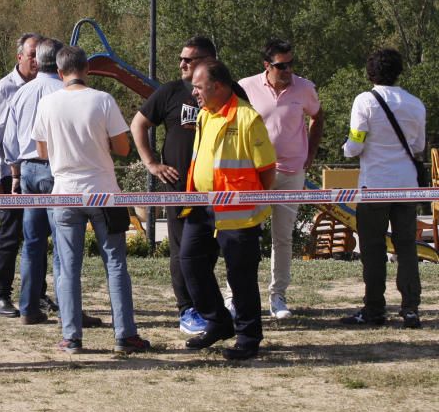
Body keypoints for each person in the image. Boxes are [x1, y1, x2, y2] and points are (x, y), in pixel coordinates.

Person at [31, 45, 151, 354]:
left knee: (67, 268)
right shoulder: (103, 100)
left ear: (59, 73)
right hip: (104, 192)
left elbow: (42, 152)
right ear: (88, 69)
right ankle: (125, 334)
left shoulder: (47, 103)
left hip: (65, 193)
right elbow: (123, 148)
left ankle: (71, 336)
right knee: (115, 264)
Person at [184, 59, 276, 360]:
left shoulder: (248, 118)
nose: (194, 92)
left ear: (218, 86)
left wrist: (249, 199)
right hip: (202, 206)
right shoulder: (204, 116)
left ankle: (248, 338)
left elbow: (267, 171)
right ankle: (219, 322)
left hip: (238, 213)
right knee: (190, 262)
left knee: (240, 277)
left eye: (199, 87)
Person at [131, 35, 216, 335]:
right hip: (180, 187)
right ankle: (187, 309)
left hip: (218, 187)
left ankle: (209, 304)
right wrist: (152, 164)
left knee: (211, 249)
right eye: (181, 58)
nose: (181, 64)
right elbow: (137, 124)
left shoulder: (226, 92)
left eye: (188, 59)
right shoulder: (169, 92)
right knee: (182, 250)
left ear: (208, 62)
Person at [238, 38, 324, 320]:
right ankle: (236, 296)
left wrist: (309, 153)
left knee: (283, 238)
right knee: (244, 235)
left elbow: (318, 117)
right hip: (254, 174)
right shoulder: (245, 86)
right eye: (281, 65)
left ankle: (278, 297)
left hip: (290, 174)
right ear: (267, 65)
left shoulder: (305, 88)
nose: (288, 70)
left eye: (291, 64)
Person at [341, 48, 425, 329]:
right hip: (407, 186)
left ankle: (374, 308)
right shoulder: (416, 104)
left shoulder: (364, 101)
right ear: (399, 71)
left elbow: (355, 146)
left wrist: (346, 148)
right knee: (407, 247)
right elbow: (418, 147)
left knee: (373, 248)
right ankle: (411, 308)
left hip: (375, 185)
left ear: (370, 72)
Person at [3, 37, 64, 325]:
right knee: (64, 242)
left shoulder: (21, 93)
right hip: (58, 169)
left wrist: (15, 175)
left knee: (32, 243)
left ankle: (28, 307)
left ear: (37, 60)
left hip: (28, 170)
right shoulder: (66, 90)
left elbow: (9, 141)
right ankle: (68, 308)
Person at [0, 32, 41, 317]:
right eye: (32, 55)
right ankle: (0, 295)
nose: (36, 60)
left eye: (40, 55)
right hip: (8, 174)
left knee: (38, 234)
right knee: (10, 234)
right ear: (19, 57)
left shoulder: (46, 87)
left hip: (37, 172)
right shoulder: (2, 90)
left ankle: (36, 294)